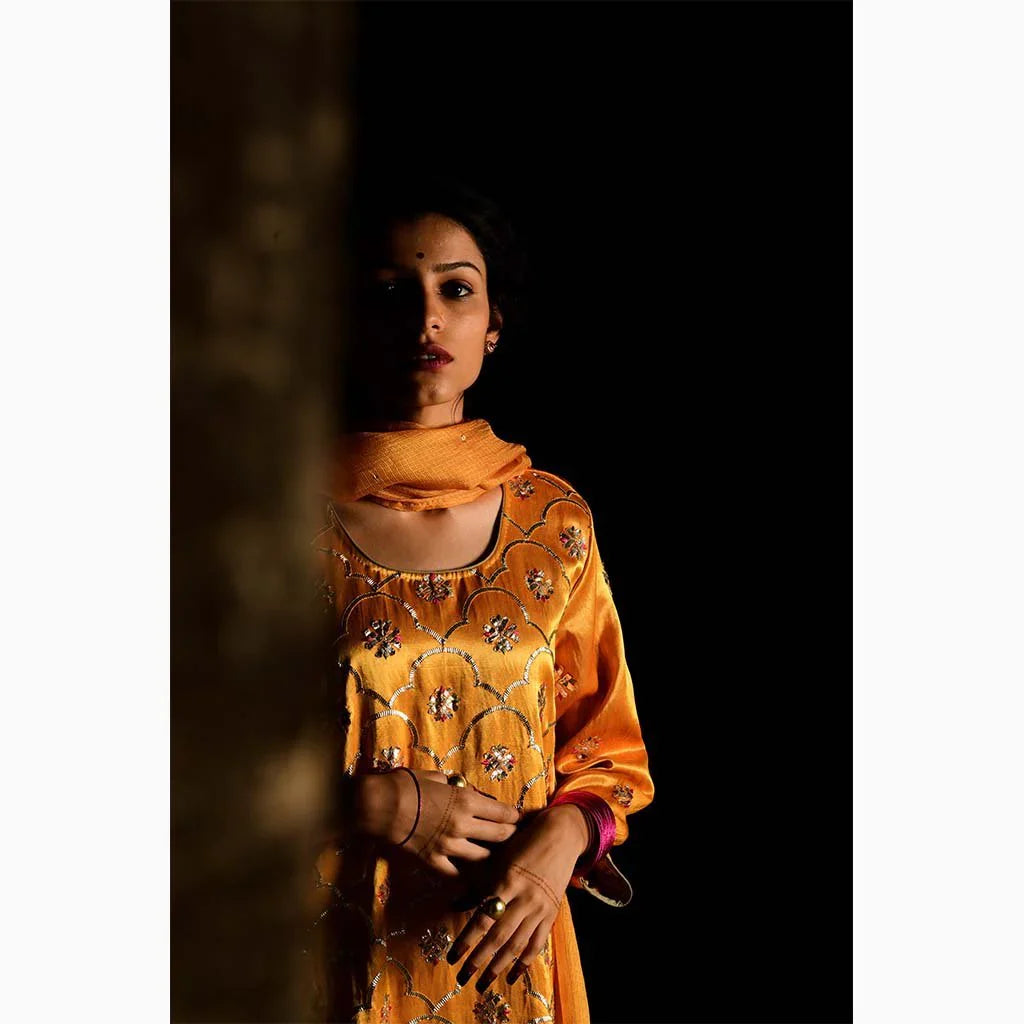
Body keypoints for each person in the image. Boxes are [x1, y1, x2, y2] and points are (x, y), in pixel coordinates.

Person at [303, 174, 654, 1024]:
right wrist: (367, 802)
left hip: (510, 958)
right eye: (393, 292)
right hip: (329, 950)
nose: (426, 318)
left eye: (455, 290)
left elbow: (609, 756)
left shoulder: (554, 522)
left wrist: (563, 841)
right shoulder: (276, 525)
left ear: (493, 323)